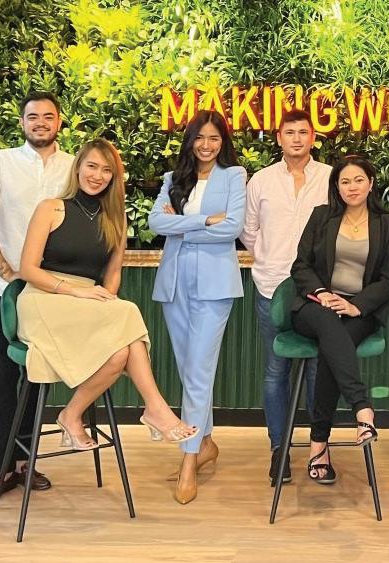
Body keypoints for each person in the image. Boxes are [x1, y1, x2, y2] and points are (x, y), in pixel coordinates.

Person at [16, 139, 198, 456]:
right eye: (91, 166)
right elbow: (28, 269)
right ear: (78, 168)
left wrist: (104, 300)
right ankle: (156, 408)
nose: (97, 176)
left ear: (114, 177)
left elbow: (113, 274)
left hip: (87, 301)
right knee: (128, 312)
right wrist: (76, 291)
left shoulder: (115, 218)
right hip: (45, 297)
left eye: (106, 170)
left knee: (119, 352)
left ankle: (71, 414)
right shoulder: (51, 208)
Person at [0, 91, 73, 506]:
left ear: (59, 122)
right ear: (22, 122)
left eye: (48, 116)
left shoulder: (73, 166)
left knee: (36, 377)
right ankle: (2, 466)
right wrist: (11, 277)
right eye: (33, 117)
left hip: (52, 293)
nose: (40, 122)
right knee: (1, 378)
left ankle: (27, 462)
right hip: (5, 290)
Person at [149, 111, 246, 504]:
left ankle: (189, 457)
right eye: (200, 138)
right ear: (189, 141)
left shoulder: (234, 176)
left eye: (214, 139)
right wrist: (205, 221)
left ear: (223, 142)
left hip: (214, 285)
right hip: (174, 283)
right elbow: (156, 223)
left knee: (199, 371)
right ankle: (205, 443)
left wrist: (184, 226)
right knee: (188, 369)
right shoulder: (173, 179)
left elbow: (233, 228)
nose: (206, 146)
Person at [288, 155, 389, 484]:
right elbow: (300, 266)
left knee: (332, 350)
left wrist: (356, 306)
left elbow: (388, 280)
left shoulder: (387, 224)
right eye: (345, 181)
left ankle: (318, 445)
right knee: (328, 325)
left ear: (371, 183)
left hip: (358, 310)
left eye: (358, 180)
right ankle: (362, 408)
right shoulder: (321, 216)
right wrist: (323, 293)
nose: (352, 187)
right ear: (336, 187)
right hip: (315, 305)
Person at [239, 109, 331, 485]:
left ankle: (318, 450)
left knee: (318, 370)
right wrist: (269, 258)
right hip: (272, 286)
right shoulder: (261, 181)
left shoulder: (330, 178)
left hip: (319, 290)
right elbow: (248, 230)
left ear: (313, 138)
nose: (296, 138)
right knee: (277, 370)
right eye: (289, 132)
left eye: (303, 132)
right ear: (279, 138)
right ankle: (279, 449)